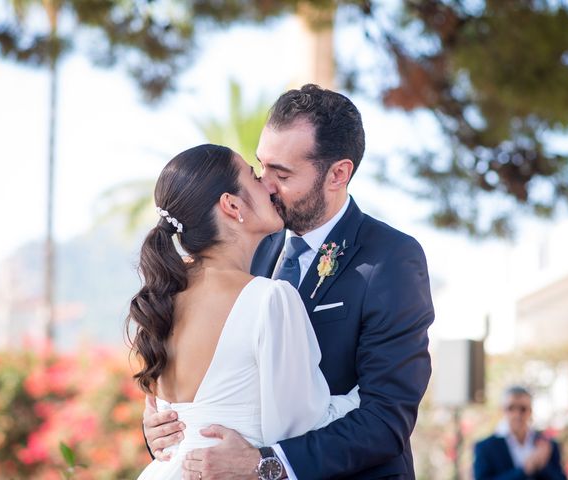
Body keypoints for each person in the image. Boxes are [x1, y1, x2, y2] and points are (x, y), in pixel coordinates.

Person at [144, 84, 435, 479]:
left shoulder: (389, 259)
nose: (264, 184)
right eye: (260, 166)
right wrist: (166, 430)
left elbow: (386, 419)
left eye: (281, 173)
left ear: (338, 174)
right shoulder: (252, 248)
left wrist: (267, 464)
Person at [128, 143, 361, 480]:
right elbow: (303, 427)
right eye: (254, 176)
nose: (268, 185)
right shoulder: (268, 300)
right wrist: (369, 396)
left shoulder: (161, 298)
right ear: (232, 205)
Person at [473, 385, 568, 480]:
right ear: (503, 410)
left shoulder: (547, 445)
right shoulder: (485, 447)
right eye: (511, 408)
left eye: (522, 409)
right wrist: (524, 470)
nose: (517, 414)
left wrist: (543, 465)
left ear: (530, 411)